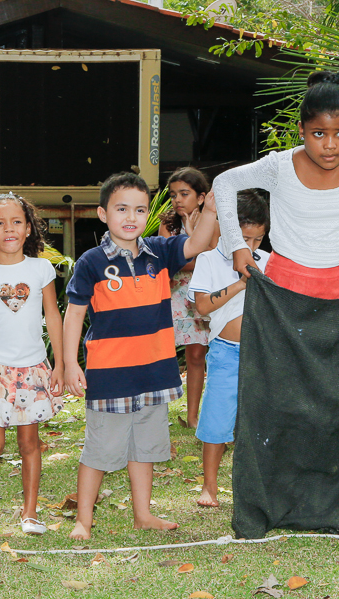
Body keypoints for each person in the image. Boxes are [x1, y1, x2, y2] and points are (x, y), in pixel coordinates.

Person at [63, 171, 218, 540]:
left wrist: (210, 211)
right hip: (110, 374)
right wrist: (70, 363)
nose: (131, 217)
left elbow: (196, 244)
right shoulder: (91, 262)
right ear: (103, 214)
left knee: (145, 448)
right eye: (121, 209)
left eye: (139, 209)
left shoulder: (159, 252)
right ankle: (84, 519)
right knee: (100, 449)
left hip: (155, 372)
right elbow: (74, 314)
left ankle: (143, 514)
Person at [211, 71, 339, 297]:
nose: (330, 145)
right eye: (318, 133)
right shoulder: (280, 167)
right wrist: (237, 246)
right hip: (283, 286)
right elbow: (224, 183)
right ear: (302, 129)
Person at [0, 192, 64, 536]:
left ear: (28, 229)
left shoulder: (41, 268)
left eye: (16, 222)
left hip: (33, 367)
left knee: (29, 443)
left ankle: (30, 512)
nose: (8, 229)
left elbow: (52, 315)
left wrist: (61, 363)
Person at [187, 190, 270, 508]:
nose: (251, 247)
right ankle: (209, 487)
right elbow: (203, 306)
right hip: (226, 352)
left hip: (262, 354)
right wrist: (240, 282)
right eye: (245, 238)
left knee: (262, 419)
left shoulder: (268, 261)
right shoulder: (209, 260)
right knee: (218, 418)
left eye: (258, 240)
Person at [158, 167, 215, 428]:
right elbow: (167, 262)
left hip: (202, 294)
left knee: (195, 357)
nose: (178, 199)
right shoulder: (167, 223)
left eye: (184, 193)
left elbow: (211, 260)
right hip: (170, 295)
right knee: (161, 355)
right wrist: (192, 254)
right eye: (173, 194)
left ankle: (193, 418)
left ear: (201, 197)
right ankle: (157, 416)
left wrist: (193, 238)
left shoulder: (213, 219)